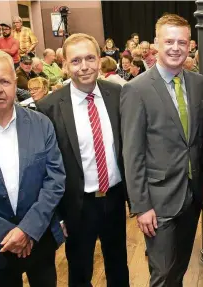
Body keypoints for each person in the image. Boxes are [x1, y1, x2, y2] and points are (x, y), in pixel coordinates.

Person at [0, 49, 65, 286]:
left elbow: (55, 180)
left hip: (39, 237)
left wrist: (27, 230)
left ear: (15, 83)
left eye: (4, 81)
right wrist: (10, 234)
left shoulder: (41, 124)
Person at [36, 33, 130, 287]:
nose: (84, 66)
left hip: (113, 197)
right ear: (64, 65)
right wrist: (58, 215)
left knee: (119, 265)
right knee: (79, 270)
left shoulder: (118, 94)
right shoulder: (49, 107)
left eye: (90, 58)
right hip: (77, 205)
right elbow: (47, 167)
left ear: (100, 59)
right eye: (76, 61)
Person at [120, 14, 203, 287]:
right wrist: (141, 206)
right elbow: (132, 153)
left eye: (182, 41)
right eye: (169, 41)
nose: (176, 47)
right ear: (156, 43)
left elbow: (196, 139)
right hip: (158, 201)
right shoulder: (136, 89)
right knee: (162, 274)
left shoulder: (197, 82)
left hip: (191, 197)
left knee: (179, 268)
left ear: (190, 44)